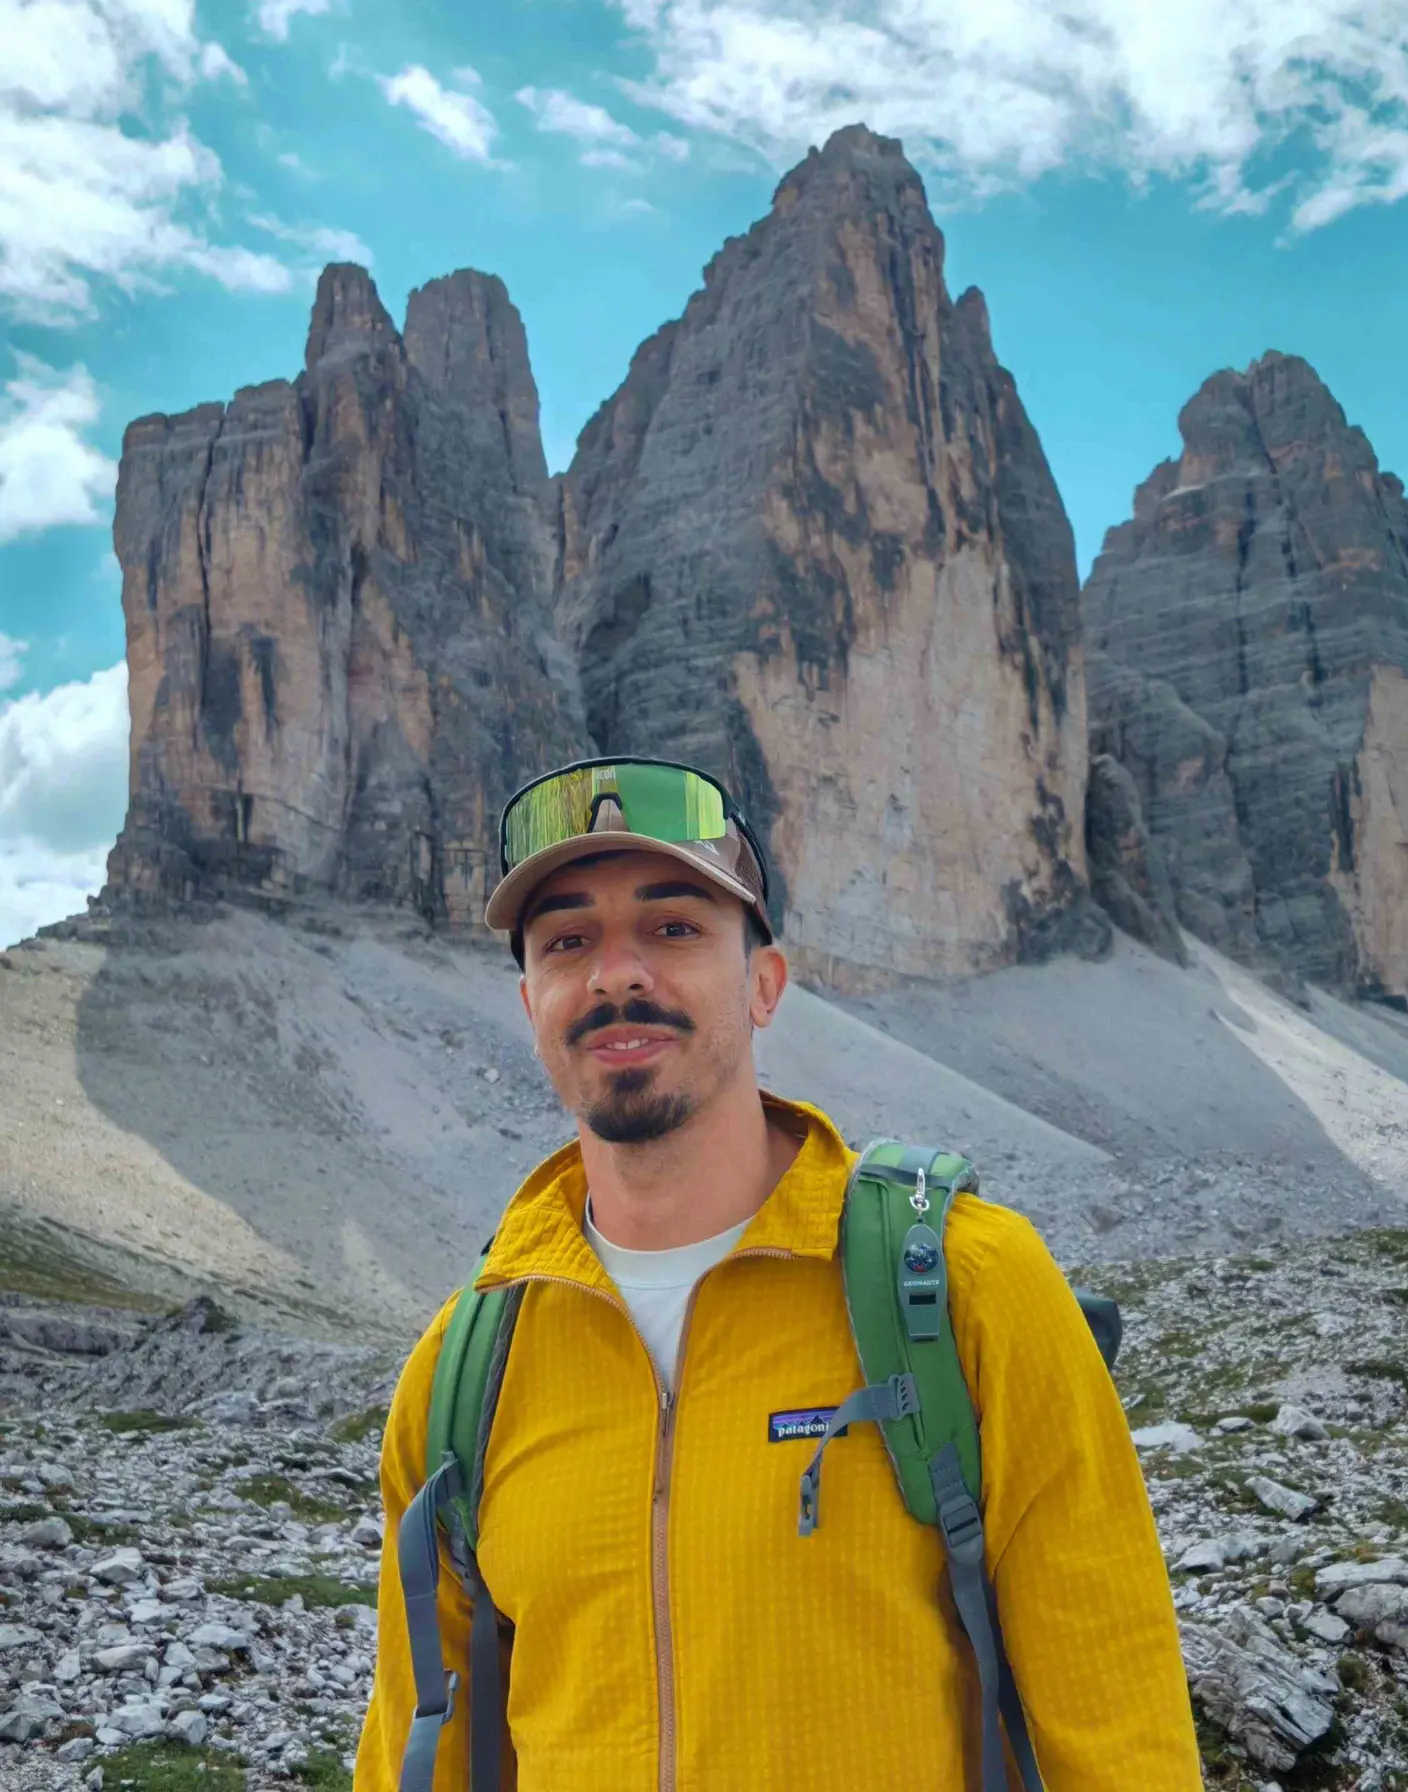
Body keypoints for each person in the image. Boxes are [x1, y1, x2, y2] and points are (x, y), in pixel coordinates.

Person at [353, 756, 1204, 1790]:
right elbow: (419, 1754)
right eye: (569, 942)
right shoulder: (463, 1370)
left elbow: (1121, 1735)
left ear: (763, 985)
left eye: (674, 928)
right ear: (532, 1004)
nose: (617, 975)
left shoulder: (966, 1285)